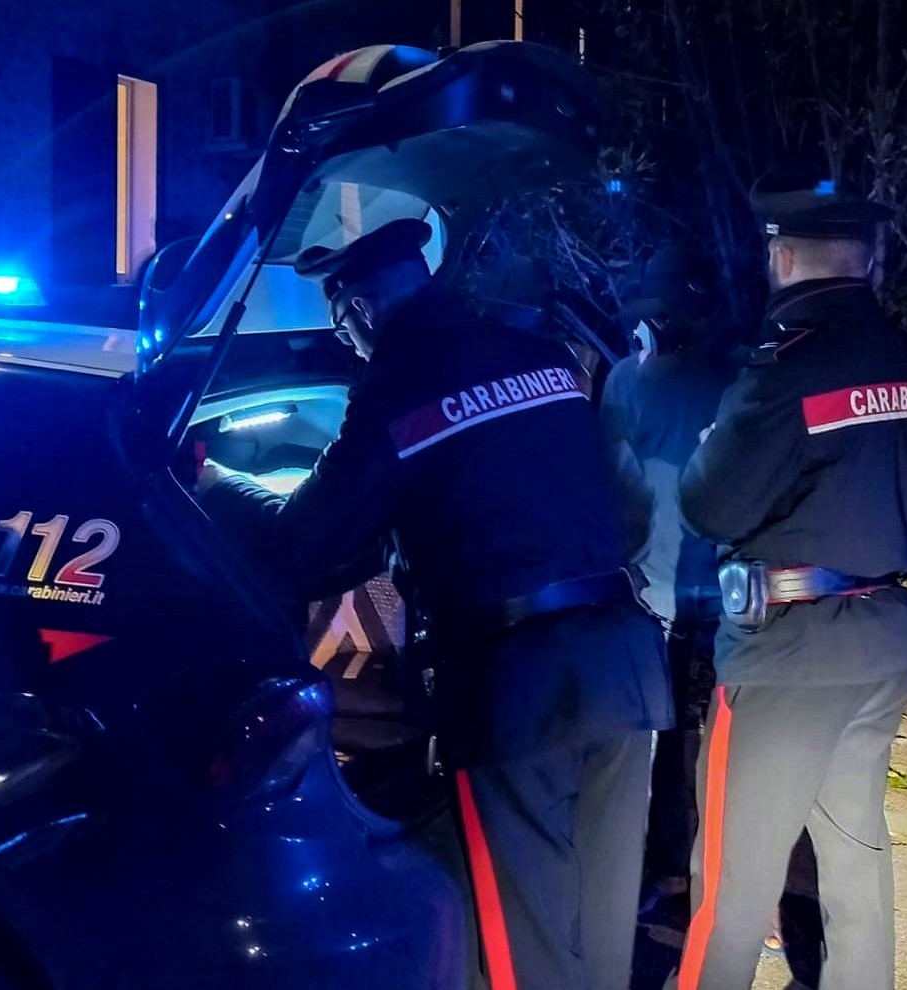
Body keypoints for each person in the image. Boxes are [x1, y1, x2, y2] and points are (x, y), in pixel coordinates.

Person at [197, 217, 671, 990]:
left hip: (517, 686)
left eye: (345, 329)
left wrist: (221, 486)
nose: (351, 346)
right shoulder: (543, 357)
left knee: (528, 941)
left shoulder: (398, 391)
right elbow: (621, 505)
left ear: (360, 310)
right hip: (622, 661)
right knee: (603, 921)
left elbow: (303, 548)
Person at [667, 183, 907, 990]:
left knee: (731, 884)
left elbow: (709, 506)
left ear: (782, 257)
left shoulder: (787, 369)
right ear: (871, 261)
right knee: (856, 857)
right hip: (881, 642)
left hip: (789, 656)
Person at [599, 246, 735, 934]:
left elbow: (616, 488)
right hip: (727, 591)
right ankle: (725, 881)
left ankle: (655, 873)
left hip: (658, 592)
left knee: (657, 738)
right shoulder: (736, 378)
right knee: (725, 744)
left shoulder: (628, 381)